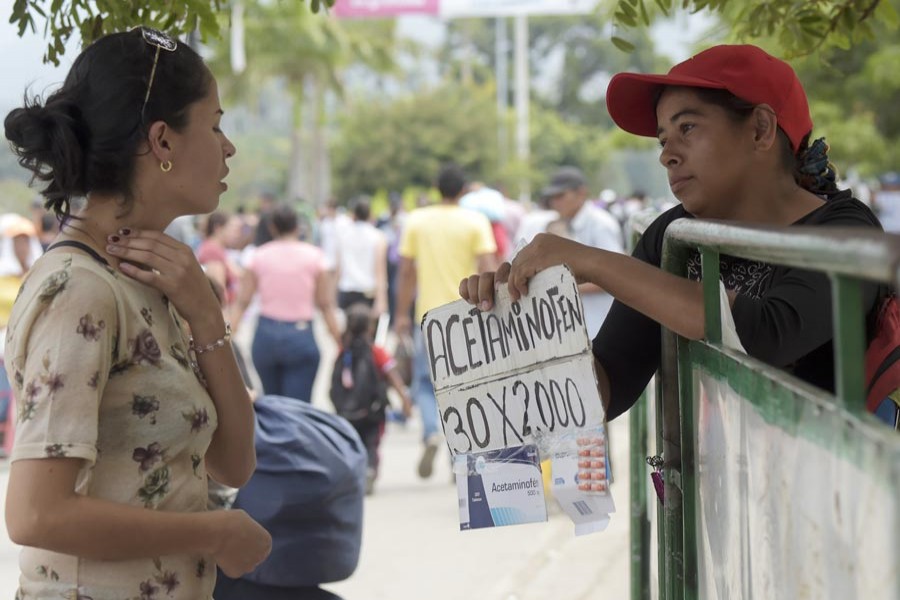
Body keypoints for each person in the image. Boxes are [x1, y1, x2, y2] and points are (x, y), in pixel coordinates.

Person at [459, 44, 886, 423]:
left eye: (687, 128)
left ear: (760, 129)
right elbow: (609, 387)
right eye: (662, 139)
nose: (667, 155)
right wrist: (520, 330)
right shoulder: (675, 236)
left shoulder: (846, 232)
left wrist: (593, 260)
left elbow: (769, 335)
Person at [2, 27, 271, 598]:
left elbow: (233, 463)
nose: (229, 147)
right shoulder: (80, 289)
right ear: (163, 141)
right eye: (215, 124)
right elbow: (35, 514)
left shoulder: (155, 278)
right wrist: (212, 532)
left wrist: (205, 316)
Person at [396, 164, 497, 479]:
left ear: (436, 188)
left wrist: (400, 313)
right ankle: (463, 452)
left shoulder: (417, 221)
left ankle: (431, 433)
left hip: (428, 315)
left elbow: (407, 273)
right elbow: (487, 268)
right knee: (467, 385)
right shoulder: (476, 221)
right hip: (468, 315)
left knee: (426, 383)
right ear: (464, 189)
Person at [233, 203, 341, 403]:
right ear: (297, 226)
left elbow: (242, 301)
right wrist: (339, 340)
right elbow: (325, 304)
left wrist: (229, 333)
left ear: (272, 227)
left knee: (272, 404)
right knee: (298, 407)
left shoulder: (258, 256)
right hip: (301, 335)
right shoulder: (315, 257)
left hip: (266, 335)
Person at [330, 303, 412, 494]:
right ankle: (370, 469)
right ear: (371, 327)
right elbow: (393, 377)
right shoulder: (377, 352)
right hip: (373, 411)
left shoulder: (343, 352)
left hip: (347, 412)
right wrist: (405, 401)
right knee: (371, 443)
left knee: (352, 442)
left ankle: (355, 472)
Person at [539, 166, 625, 337]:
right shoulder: (566, 223)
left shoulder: (600, 224)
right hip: (580, 323)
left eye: (560, 196)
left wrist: (559, 285)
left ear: (581, 193)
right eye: (553, 197)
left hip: (600, 323)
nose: (555, 202)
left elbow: (617, 275)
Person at [334, 197, 388, 316]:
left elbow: (338, 268)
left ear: (353, 214)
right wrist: (381, 300)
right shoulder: (378, 237)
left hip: (346, 291)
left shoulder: (343, 236)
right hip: (368, 293)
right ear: (370, 214)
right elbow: (380, 271)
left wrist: (334, 294)